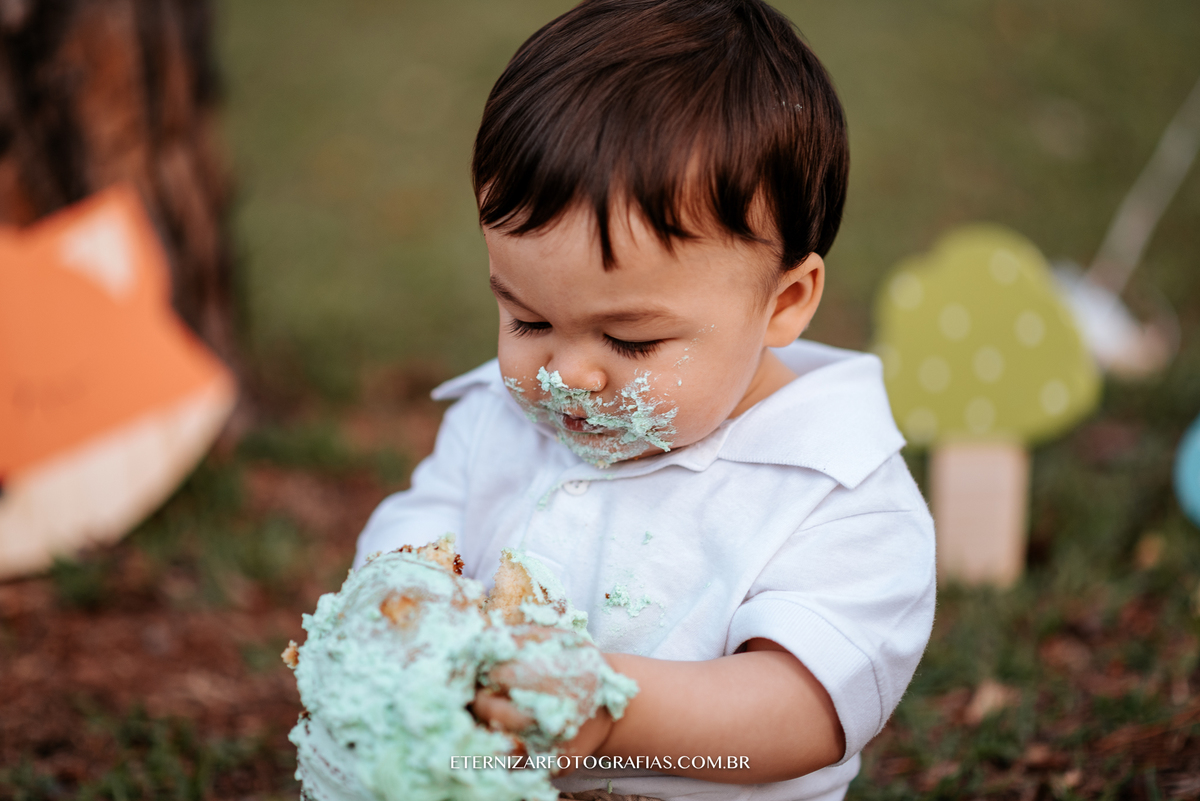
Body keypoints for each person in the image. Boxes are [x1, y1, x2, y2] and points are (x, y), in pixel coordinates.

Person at [355, 1, 936, 799]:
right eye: (528, 320)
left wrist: (617, 710)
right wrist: (406, 602)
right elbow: (421, 527)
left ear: (784, 302)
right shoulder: (496, 417)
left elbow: (803, 710)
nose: (569, 375)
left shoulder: (837, 496)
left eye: (630, 340)